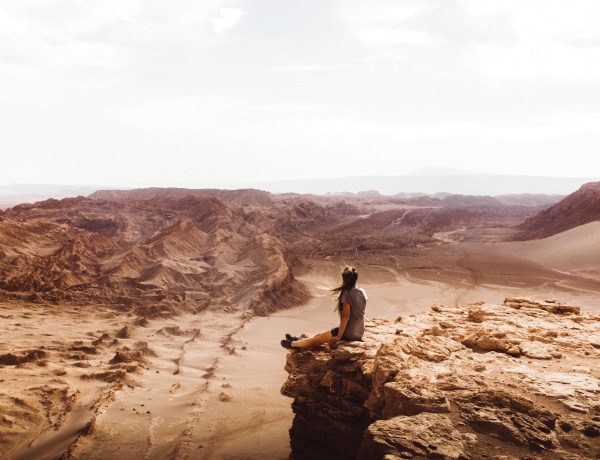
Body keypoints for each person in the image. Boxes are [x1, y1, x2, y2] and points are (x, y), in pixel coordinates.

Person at [280, 266, 367, 350]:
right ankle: (298, 340)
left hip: (349, 333)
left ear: (344, 279)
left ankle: (292, 344)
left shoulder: (347, 293)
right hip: (359, 332)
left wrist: (339, 336)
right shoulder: (362, 291)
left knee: (316, 341)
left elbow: (345, 315)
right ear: (356, 278)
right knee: (320, 336)